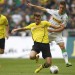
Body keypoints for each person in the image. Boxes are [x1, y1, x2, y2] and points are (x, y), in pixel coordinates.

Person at [27, 1, 72, 67]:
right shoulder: (54, 12)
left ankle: (67, 62)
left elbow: (62, 28)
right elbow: (43, 8)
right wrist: (33, 5)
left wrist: (53, 30)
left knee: (62, 46)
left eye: (62, 8)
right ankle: (35, 53)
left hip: (57, 33)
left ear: (65, 8)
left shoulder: (65, 17)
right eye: (60, 7)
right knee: (40, 42)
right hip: (48, 32)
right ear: (59, 6)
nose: (61, 9)